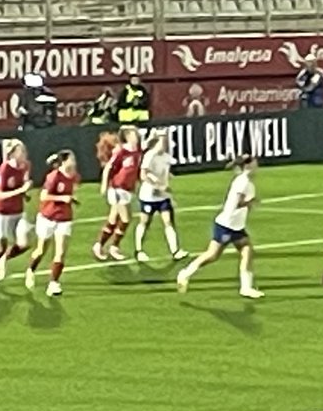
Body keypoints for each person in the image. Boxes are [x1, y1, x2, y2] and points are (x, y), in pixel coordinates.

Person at [176, 155, 263, 299]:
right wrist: (251, 202)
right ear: (248, 165)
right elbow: (238, 203)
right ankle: (185, 273)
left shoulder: (245, 181)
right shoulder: (243, 182)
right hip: (227, 225)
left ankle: (246, 287)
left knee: (247, 250)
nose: (257, 165)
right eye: (254, 163)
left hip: (236, 226)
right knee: (212, 255)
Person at [25, 150, 80, 297]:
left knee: (60, 252)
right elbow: (44, 196)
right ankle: (30, 269)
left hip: (64, 218)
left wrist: (72, 198)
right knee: (41, 250)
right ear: (64, 161)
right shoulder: (54, 176)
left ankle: (53, 283)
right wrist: (63, 199)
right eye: (71, 159)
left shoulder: (74, 176)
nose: (74, 162)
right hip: (48, 217)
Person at [0, 138, 33, 291]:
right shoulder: (4, 170)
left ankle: (5, 258)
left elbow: (22, 187)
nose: (24, 153)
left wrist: (25, 195)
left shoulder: (26, 166)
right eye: (20, 151)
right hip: (0, 213)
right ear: (12, 154)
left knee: (24, 243)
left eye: (24, 150)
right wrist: (21, 191)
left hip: (17, 211)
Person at [134, 129, 188, 262]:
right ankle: (139, 250)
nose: (164, 144)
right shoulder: (149, 155)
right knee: (145, 222)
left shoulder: (167, 157)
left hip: (162, 196)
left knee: (168, 222)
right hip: (149, 196)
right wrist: (156, 186)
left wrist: (167, 191)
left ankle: (175, 250)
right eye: (161, 142)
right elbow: (143, 175)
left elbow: (165, 176)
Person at [93, 125, 142, 262]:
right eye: (133, 134)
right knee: (126, 218)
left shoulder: (137, 151)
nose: (136, 136)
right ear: (126, 137)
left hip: (127, 189)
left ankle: (99, 245)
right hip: (117, 188)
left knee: (113, 220)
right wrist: (104, 184)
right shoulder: (121, 152)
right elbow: (108, 167)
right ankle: (114, 247)